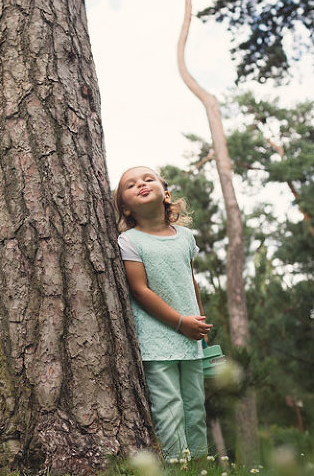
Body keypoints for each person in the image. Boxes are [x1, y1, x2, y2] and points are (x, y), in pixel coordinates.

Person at [114, 165, 211, 461]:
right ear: (126, 208)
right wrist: (180, 322)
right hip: (157, 340)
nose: (141, 184)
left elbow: (189, 278)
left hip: (191, 335)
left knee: (196, 407)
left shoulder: (185, 237)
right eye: (131, 185)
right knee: (169, 408)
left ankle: (200, 464)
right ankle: (176, 465)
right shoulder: (129, 241)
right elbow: (140, 291)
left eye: (148, 179)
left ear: (165, 193)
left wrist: (200, 324)